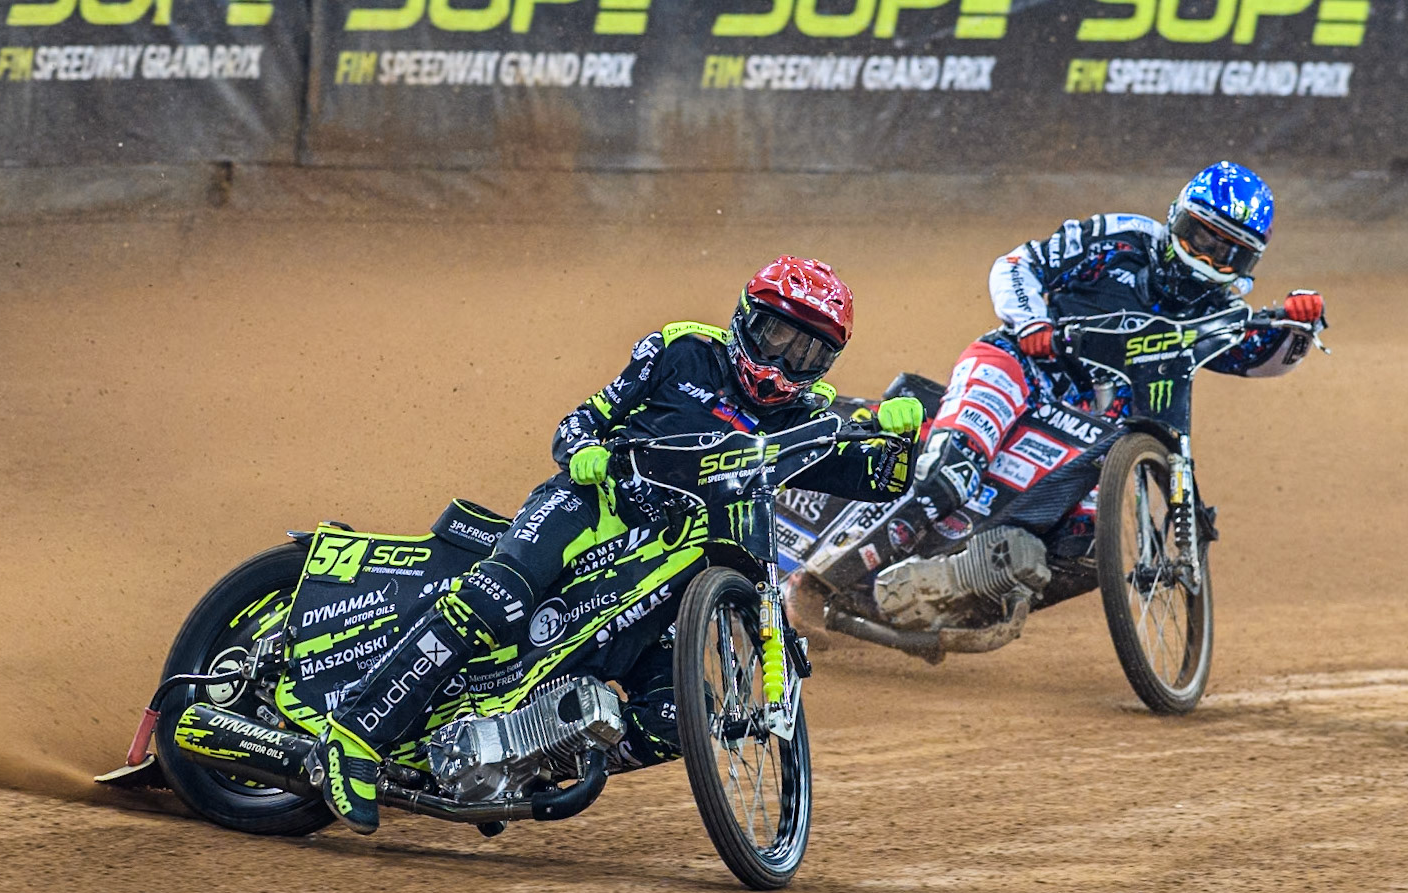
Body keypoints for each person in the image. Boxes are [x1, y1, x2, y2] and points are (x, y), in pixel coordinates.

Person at [310, 256, 925, 833]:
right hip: (593, 507)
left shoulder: (807, 417)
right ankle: (356, 738)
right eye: (776, 337)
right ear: (745, 318)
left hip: (668, 573)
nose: (784, 363)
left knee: (681, 718)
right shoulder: (681, 350)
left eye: (807, 353)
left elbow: (875, 478)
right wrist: (582, 451)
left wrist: (903, 434)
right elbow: (581, 420)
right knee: (498, 599)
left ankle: (524, 761)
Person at [914, 160, 1327, 522]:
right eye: (1202, 240)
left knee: (1083, 540)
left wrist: (1298, 326)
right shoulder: (1121, 239)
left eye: (1227, 254)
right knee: (950, 474)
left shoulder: (1217, 309)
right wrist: (1030, 324)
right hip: (1023, 368)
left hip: (1097, 430)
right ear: (1177, 218)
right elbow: (1019, 264)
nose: (1207, 259)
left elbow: (1259, 361)